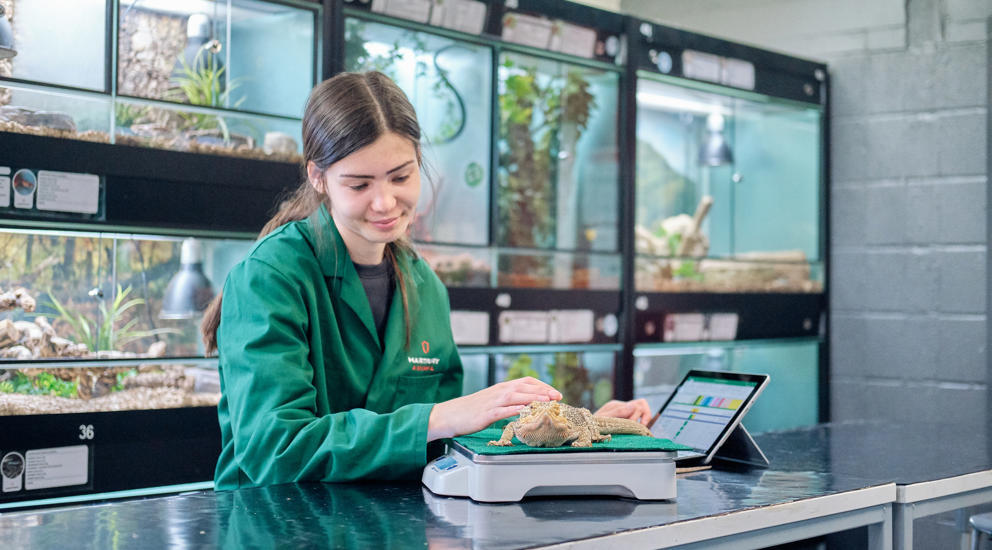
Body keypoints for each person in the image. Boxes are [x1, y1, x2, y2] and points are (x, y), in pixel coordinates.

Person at [200, 71, 651, 491]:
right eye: (359, 185)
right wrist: (433, 419)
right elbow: (275, 450)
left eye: (401, 176)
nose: (385, 202)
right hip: (279, 528)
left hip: (389, 524)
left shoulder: (423, 286)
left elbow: (455, 436)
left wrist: (571, 427)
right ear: (318, 177)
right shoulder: (270, 278)